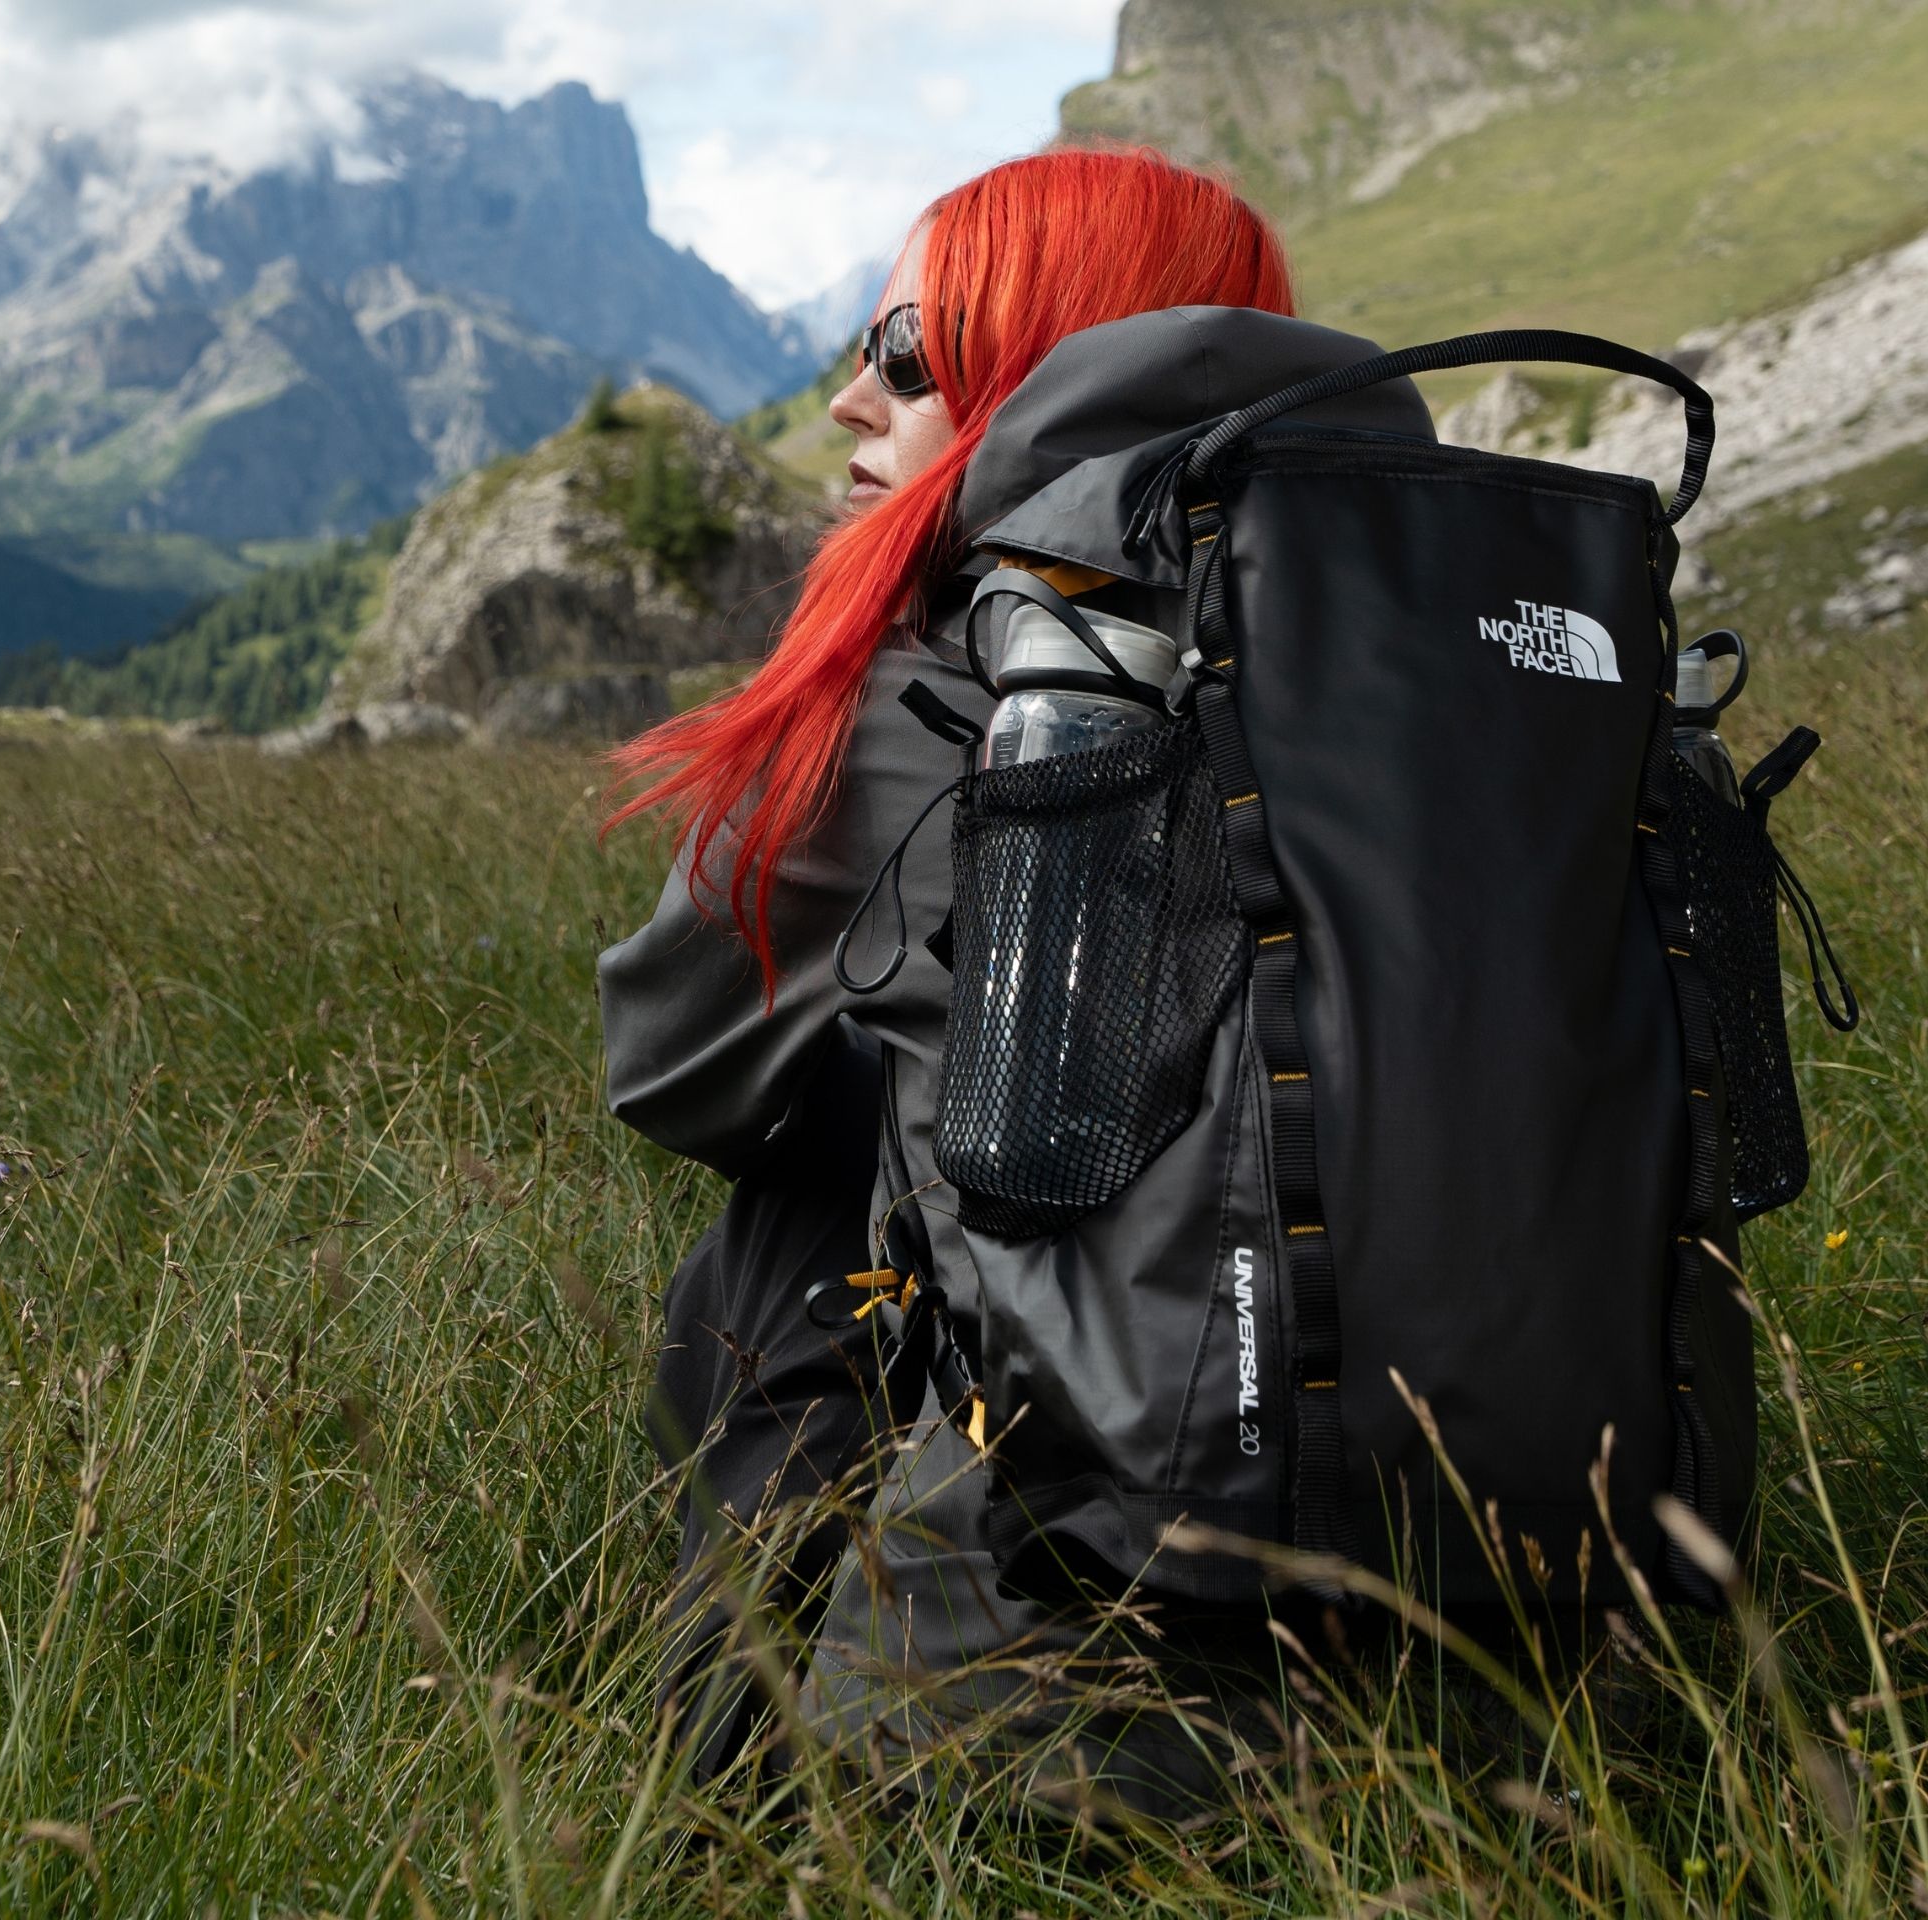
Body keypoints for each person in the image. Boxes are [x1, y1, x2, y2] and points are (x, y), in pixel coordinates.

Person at [602, 147, 1436, 1819]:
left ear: (1040, 365)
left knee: (792, 1209)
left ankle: (711, 1786)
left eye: (907, 351)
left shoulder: (923, 722)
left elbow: (669, 1066)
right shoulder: (1418, 715)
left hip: (1022, 1720)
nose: (850, 398)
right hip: (1512, 1642)